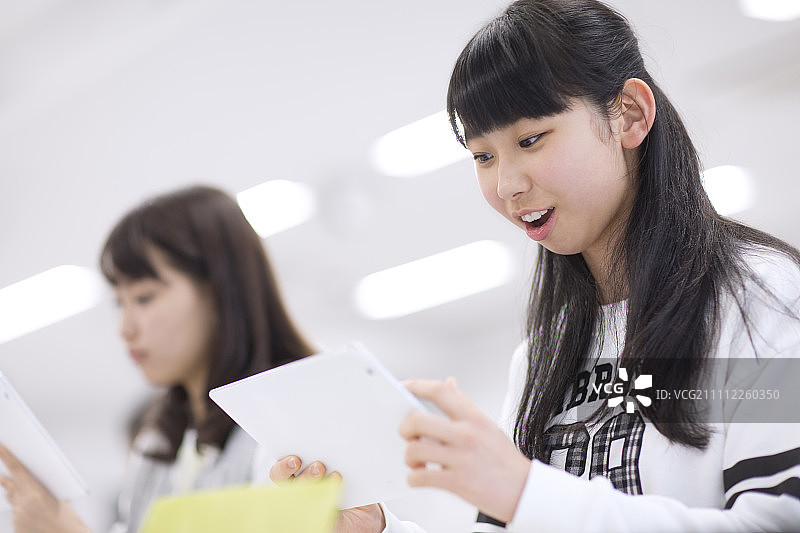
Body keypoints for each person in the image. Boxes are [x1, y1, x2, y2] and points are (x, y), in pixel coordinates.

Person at [269, 0, 800, 531]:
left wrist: (525, 491)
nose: (506, 185)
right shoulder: (543, 352)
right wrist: (378, 529)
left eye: (529, 139)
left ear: (630, 115)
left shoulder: (764, 297)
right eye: (483, 156)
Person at [0, 185, 315, 533]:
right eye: (120, 302)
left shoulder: (292, 425)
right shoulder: (155, 443)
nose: (125, 328)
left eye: (144, 297)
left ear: (220, 292)